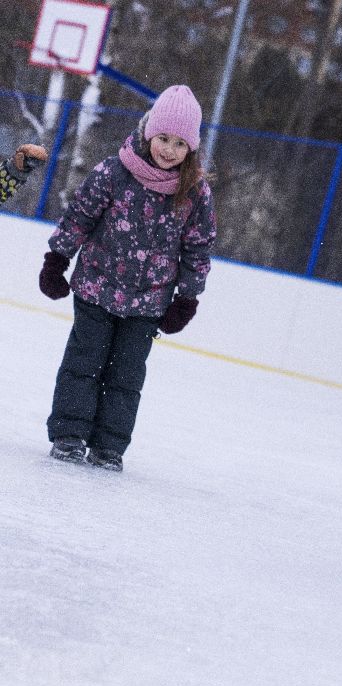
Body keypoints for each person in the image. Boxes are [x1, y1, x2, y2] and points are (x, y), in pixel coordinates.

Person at [38, 85, 216, 472]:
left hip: (148, 303)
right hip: (96, 287)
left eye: (180, 144)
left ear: (192, 149)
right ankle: (69, 435)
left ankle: (109, 446)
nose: (169, 150)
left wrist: (187, 298)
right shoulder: (114, 171)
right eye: (163, 138)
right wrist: (57, 260)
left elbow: (198, 250)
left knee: (126, 376)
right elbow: (80, 216)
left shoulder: (195, 193)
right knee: (83, 363)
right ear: (149, 132)